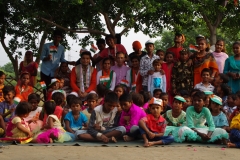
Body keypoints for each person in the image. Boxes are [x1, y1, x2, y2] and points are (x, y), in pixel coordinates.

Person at [40, 30, 75, 99]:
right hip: (44, 71)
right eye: (55, 37)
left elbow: (62, 59)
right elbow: (41, 57)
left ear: (61, 38)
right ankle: (46, 103)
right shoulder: (46, 46)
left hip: (53, 73)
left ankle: (52, 105)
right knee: (44, 88)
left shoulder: (62, 48)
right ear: (53, 37)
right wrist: (46, 58)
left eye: (58, 37)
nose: (57, 39)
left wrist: (69, 62)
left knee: (53, 88)